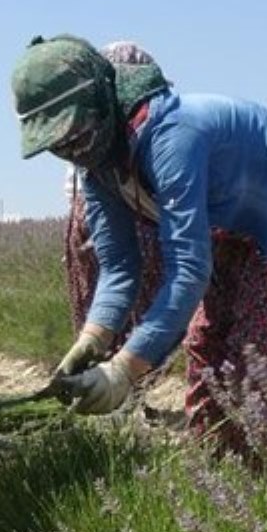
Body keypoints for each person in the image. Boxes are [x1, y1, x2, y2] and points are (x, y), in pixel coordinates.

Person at [11, 35, 267, 451]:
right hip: (234, 224)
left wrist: (124, 370)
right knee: (207, 348)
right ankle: (221, 467)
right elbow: (119, 266)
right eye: (57, 144)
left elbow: (188, 270)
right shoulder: (99, 166)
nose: (70, 149)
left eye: (74, 133)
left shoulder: (172, 135)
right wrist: (92, 339)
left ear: (100, 102)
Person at [63, 41, 165, 337]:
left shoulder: (146, 132)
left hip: (119, 220)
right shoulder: (103, 142)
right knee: (117, 307)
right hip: (113, 219)